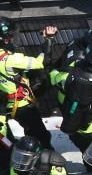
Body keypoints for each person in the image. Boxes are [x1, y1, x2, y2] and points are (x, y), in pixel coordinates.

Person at [0, 18, 57, 147]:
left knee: (8, 139)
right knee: (41, 135)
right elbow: (42, 62)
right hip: (21, 105)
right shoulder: (11, 60)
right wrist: (48, 40)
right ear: (6, 39)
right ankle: (44, 157)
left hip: (4, 105)